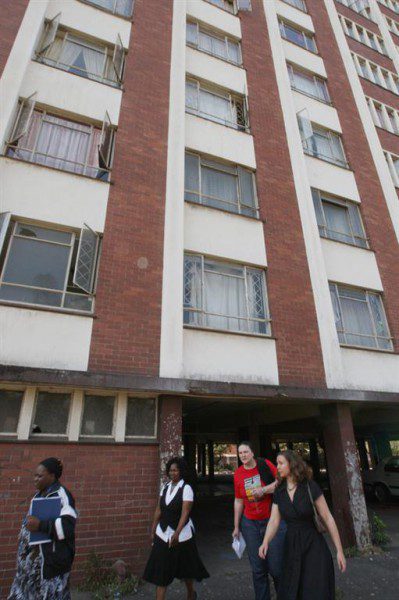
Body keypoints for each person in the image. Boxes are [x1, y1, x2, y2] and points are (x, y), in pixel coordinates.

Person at [258, 450, 346, 600]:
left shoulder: (310, 487)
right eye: (277, 463)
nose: (277, 467)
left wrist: (339, 550)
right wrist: (265, 541)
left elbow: (327, 517)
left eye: (280, 463)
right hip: (291, 546)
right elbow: (274, 521)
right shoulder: (279, 491)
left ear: (292, 465)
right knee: (293, 588)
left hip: (313, 545)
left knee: (315, 588)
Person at [8, 457, 77, 600]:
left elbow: (67, 528)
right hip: (30, 567)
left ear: (52, 476)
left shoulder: (62, 496)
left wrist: (40, 525)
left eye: (40, 476)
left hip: (50, 566)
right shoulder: (39, 494)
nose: (35, 479)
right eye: (35, 475)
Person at [143, 456, 209, 600]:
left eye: (176, 470)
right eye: (171, 470)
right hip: (163, 533)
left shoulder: (186, 488)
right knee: (161, 572)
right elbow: (159, 509)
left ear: (181, 472)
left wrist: (177, 533)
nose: (173, 473)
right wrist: (153, 527)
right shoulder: (165, 487)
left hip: (183, 535)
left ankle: (191, 594)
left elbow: (185, 513)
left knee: (186, 570)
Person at [233, 441, 286, 600]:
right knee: (258, 570)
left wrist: (264, 490)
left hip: (272, 519)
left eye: (246, 452)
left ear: (252, 453)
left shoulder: (264, 465)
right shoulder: (238, 474)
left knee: (276, 568)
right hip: (250, 524)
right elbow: (238, 500)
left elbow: (282, 481)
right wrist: (236, 526)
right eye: (240, 453)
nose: (243, 455)